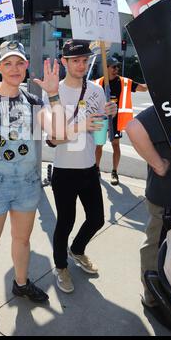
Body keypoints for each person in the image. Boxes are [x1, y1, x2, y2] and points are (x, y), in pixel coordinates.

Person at [0, 40, 65, 327]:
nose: (14, 68)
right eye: (7, 63)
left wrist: (54, 95)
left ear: (25, 66)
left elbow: (58, 135)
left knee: (22, 240)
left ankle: (20, 283)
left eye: (19, 62)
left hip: (26, 184)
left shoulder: (34, 101)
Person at [46, 39, 117, 294]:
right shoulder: (54, 92)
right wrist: (82, 127)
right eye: (75, 60)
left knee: (97, 218)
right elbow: (54, 138)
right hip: (64, 170)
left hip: (89, 167)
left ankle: (77, 250)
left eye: (85, 60)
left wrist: (111, 110)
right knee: (65, 221)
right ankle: (61, 266)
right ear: (64, 62)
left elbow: (100, 122)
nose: (81, 65)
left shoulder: (96, 90)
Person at [126, 106, 171, 330]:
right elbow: (134, 127)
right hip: (168, 196)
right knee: (156, 247)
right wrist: (158, 164)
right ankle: (152, 298)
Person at [95, 57, 147, 185]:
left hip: (116, 120)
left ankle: (114, 172)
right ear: (106, 68)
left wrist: (154, 79)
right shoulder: (96, 83)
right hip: (101, 119)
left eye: (117, 66)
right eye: (113, 67)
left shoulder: (124, 82)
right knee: (98, 145)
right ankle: (96, 170)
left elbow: (143, 88)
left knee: (116, 145)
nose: (116, 69)